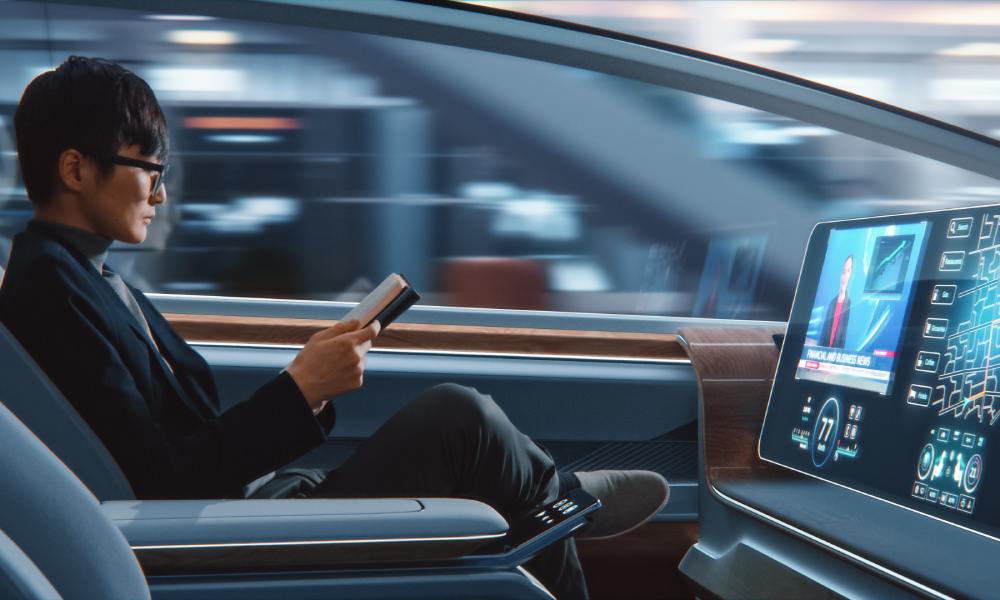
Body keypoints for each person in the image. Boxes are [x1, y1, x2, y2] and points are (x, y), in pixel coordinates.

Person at [0, 56, 668, 600]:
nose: (160, 194)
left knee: (472, 442)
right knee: (462, 420)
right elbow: (163, 480)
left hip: (242, 503)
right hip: (212, 532)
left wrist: (306, 388)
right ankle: (559, 498)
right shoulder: (51, 294)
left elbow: (172, 443)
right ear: (76, 169)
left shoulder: (86, 277)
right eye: (149, 169)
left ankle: (550, 496)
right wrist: (300, 389)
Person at [819, 254, 853, 348]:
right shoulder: (832, 303)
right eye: (843, 271)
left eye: (848, 271)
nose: (844, 276)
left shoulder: (850, 304)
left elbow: (844, 338)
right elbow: (823, 334)